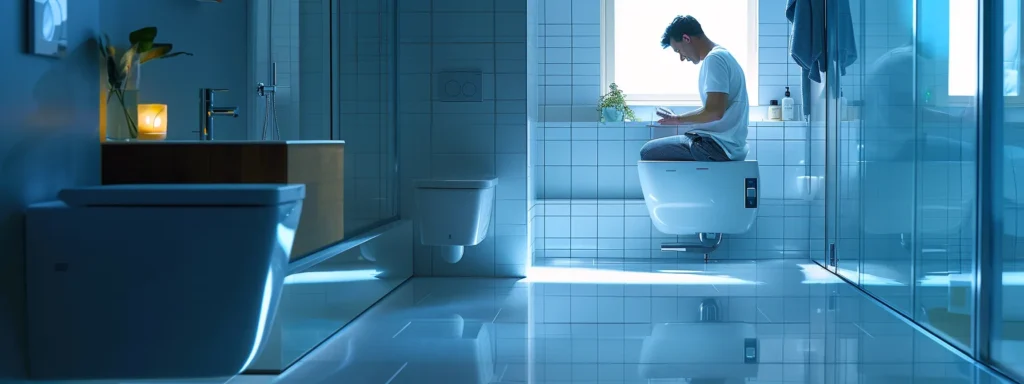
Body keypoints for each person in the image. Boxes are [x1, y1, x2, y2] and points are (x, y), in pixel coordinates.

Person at [640, 15, 750, 162]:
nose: (681, 58)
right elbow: (714, 109)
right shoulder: (724, 56)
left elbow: (715, 112)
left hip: (715, 146)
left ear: (686, 38)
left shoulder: (714, 59)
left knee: (647, 151)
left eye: (678, 50)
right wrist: (676, 119)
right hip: (728, 146)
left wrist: (678, 119)